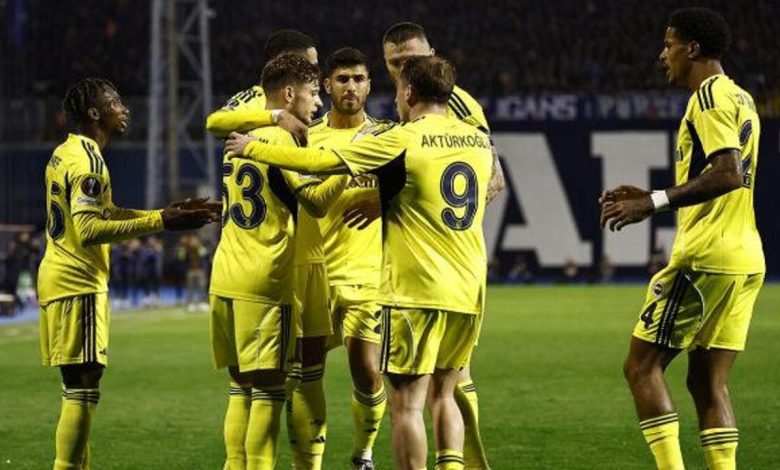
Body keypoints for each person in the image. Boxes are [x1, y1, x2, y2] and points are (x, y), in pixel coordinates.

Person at [227, 55, 492, 470]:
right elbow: (470, 186)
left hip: (413, 287)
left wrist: (253, 147)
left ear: (408, 92)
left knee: (405, 401)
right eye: (342, 79)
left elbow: (322, 163)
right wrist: (380, 197)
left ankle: (364, 454)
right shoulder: (477, 141)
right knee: (444, 392)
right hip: (467, 284)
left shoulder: (398, 137)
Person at [600, 7, 764, 469]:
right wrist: (651, 195)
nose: (662, 54)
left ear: (692, 49)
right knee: (708, 383)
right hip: (745, 257)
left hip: (706, 256)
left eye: (669, 44)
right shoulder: (741, 97)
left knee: (641, 367)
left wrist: (651, 203)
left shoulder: (708, 96)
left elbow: (728, 173)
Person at [38, 77, 217, 469]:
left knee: (78, 384)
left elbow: (105, 213)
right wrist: (161, 222)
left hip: (60, 276)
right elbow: (89, 229)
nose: (124, 108)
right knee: (83, 384)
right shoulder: (88, 162)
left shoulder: (65, 153)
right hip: (77, 280)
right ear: (94, 113)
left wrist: (163, 215)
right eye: (115, 101)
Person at [210, 53, 348, 470]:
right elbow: (317, 203)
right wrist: (346, 165)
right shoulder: (281, 140)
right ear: (289, 94)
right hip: (265, 278)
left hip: (226, 273)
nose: (318, 102)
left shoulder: (242, 133)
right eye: (312, 93)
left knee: (240, 388)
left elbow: (214, 122)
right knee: (269, 393)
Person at [381, 21, 504, 468]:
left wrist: (436, 220)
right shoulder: (405, 104)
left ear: (431, 53)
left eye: (412, 59)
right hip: (455, 274)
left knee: (429, 389)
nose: (404, 67)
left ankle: (471, 460)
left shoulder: (456, 102)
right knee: (444, 384)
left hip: (432, 268)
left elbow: (494, 177)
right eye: (395, 62)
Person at [308, 47, 387, 470]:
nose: (351, 87)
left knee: (367, 371)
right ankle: (309, 462)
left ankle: (363, 454)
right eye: (342, 79)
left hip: (367, 277)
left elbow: (414, 190)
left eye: (358, 79)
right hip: (314, 276)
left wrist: (382, 198)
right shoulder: (307, 138)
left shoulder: (385, 139)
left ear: (369, 85)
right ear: (327, 85)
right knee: (306, 376)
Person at [206, 29, 315, 143]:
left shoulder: (309, 103)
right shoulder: (256, 98)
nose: (315, 73)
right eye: (308, 66)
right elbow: (214, 123)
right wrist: (276, 116)